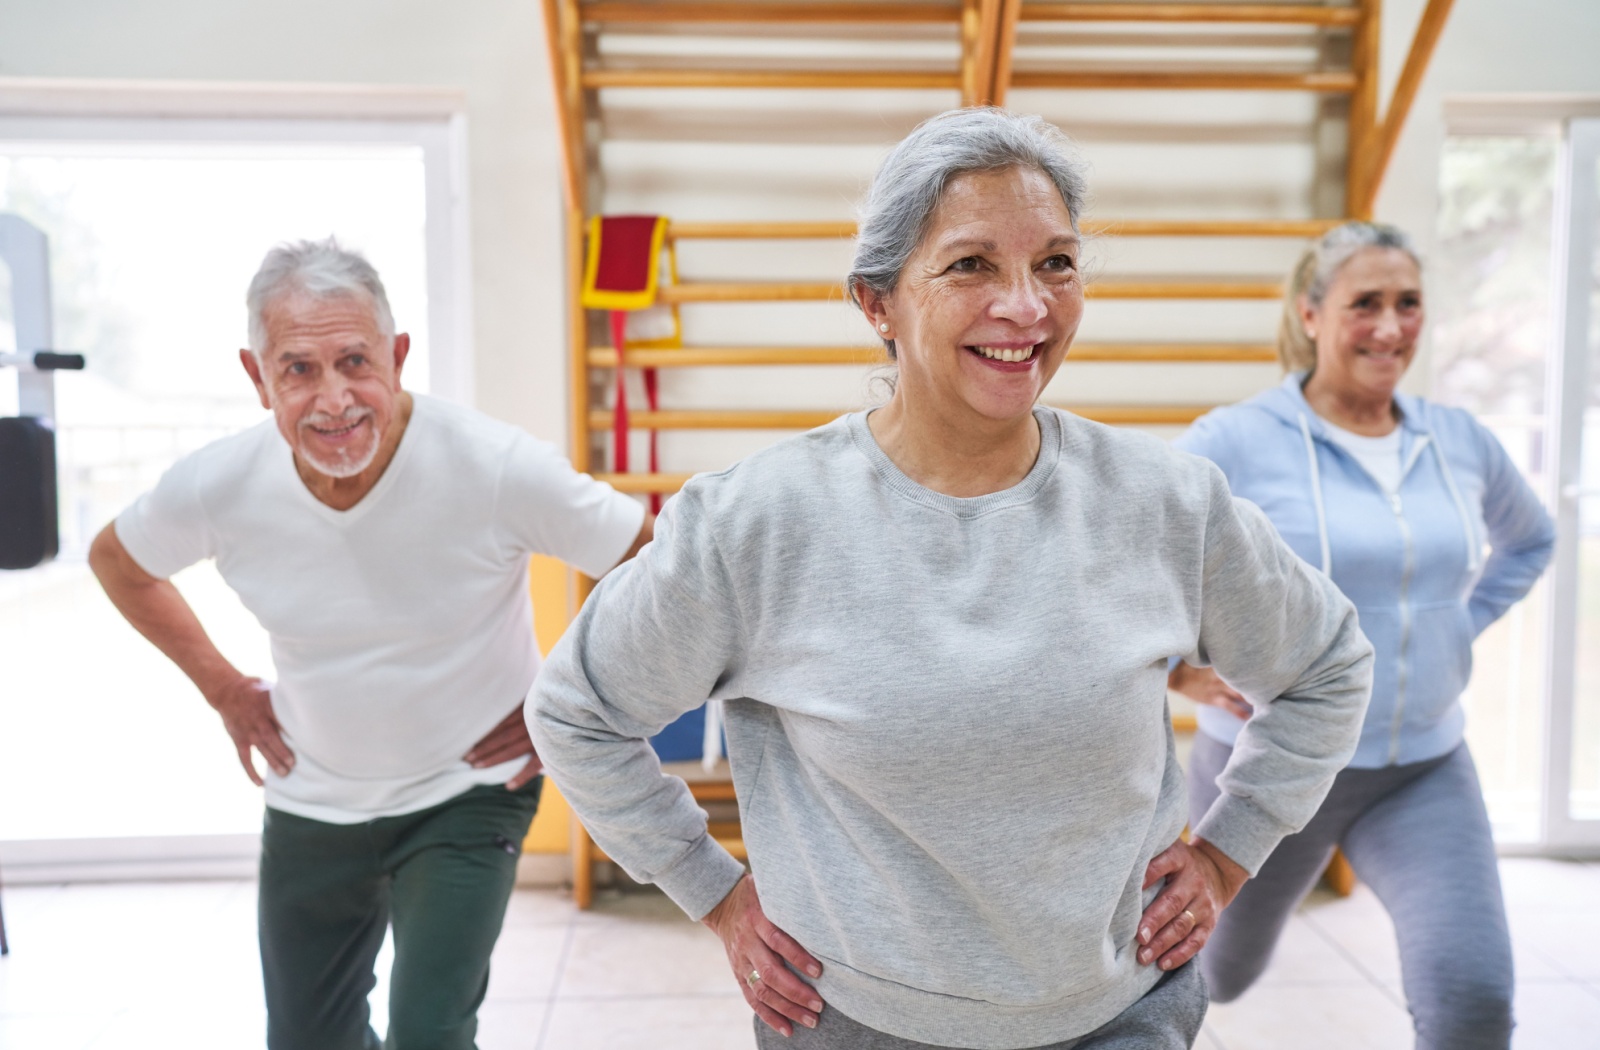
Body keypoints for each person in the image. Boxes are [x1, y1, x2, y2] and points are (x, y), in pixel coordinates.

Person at [529, 108, 1374, 1050]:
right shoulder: (753, 524)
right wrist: (713, 891)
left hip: (1121, 1017)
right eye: (971, 265)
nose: (1027, 305)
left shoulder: (1167, 503)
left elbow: (1328, 667)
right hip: (854, 1025)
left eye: (1055, 263)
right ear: (876, 302)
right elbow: (577, 712)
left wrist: (1227, 853)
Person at [88, 238, 652, 1050]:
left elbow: (656, 561)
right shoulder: (221, 485)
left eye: (355, 361)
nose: (335, 400)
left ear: (396, 358)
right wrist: (223, 688)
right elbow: (118, 562)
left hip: (469, 790)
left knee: (428, 1033)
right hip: (314, 795)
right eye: (298, 370)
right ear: (257, 378)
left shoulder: (490, 467)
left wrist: (577, 703)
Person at [1170, 221, 1556, 1050]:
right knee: (1206, 977)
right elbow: (1127, 572)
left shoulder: (1457, 440)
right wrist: (1178, 670)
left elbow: (1530, 540)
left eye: (1408, 303)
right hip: (1267, 770)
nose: (1390, 326)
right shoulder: (1235, 440)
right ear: (1312, 315)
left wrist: (1459, 626)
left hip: (1420, 770)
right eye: (1366, 303)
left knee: (1473, 1001)